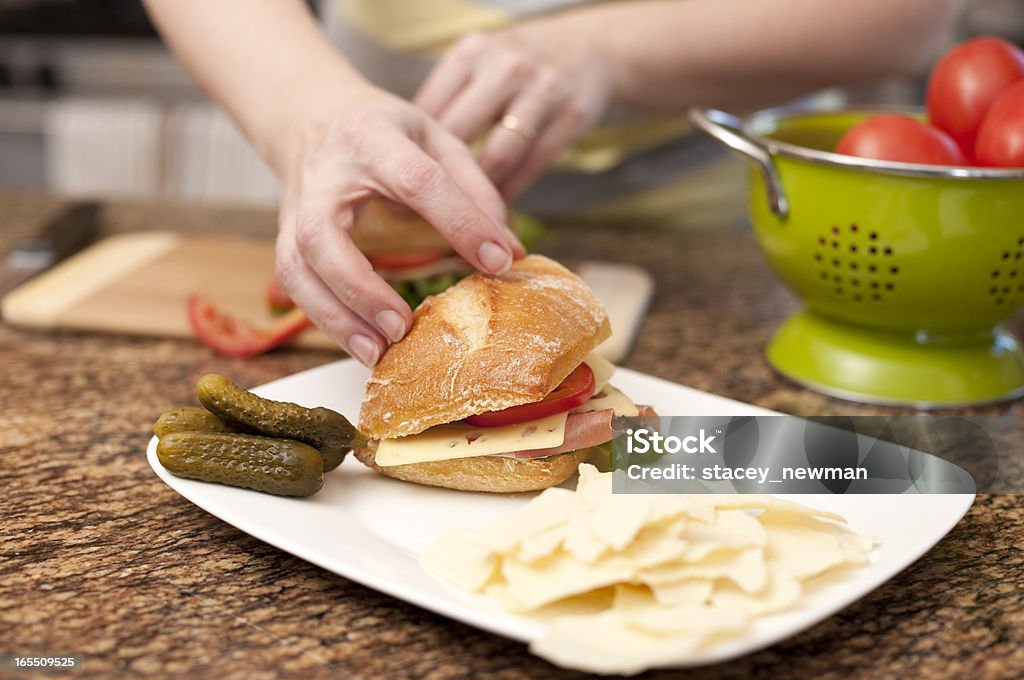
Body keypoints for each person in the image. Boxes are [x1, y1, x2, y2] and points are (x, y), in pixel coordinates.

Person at [142, 0, 963, 367]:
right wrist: (308, 109)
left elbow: (911, 14)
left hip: (724, 234)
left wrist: (608, 50)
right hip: (375, 195)